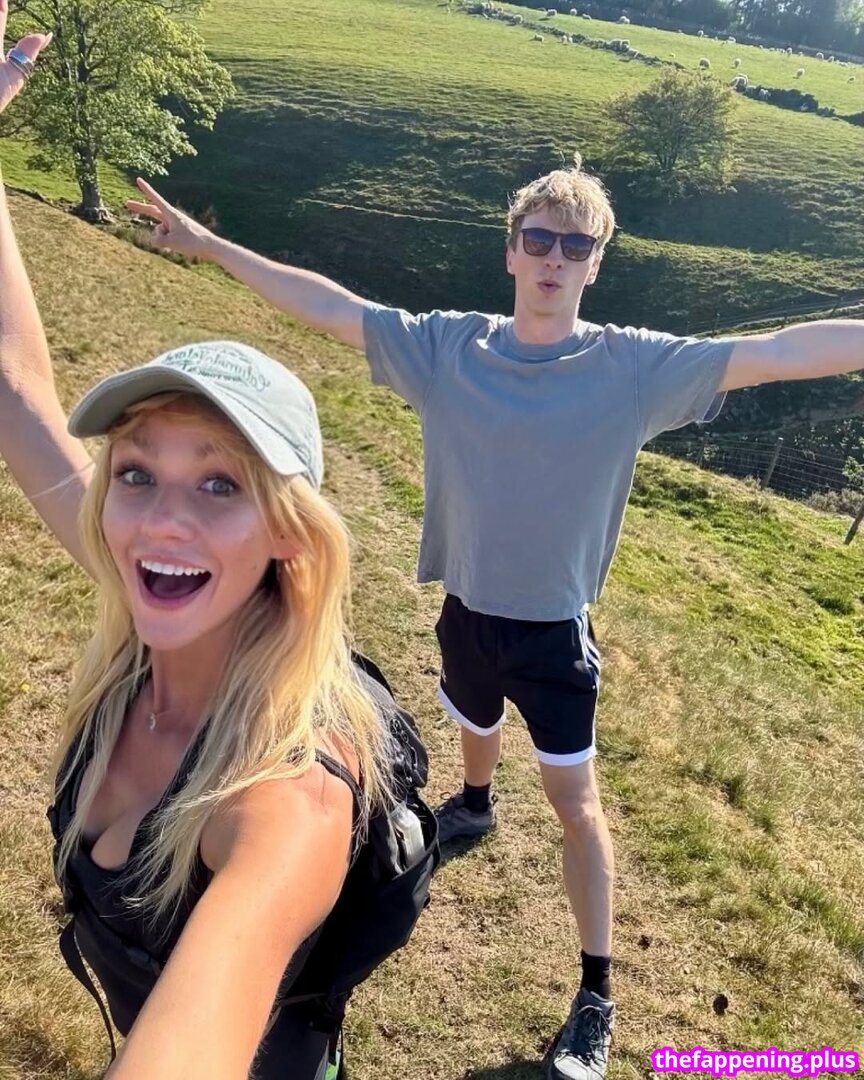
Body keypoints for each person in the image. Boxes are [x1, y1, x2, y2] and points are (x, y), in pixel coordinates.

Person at [127, 103, 864, 1080]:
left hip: (555, 634)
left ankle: (595, 993)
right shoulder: (448, 349)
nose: (555, 258)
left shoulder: (634, 368)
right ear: (512, 248)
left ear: (596, 262)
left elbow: (777, 352)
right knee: (470, 717)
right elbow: (333, 308)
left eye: (576, 245)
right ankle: (475, 800)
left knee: (576, 806)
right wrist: (209, 245)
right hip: (467, 610)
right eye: (540, 239)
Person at [0, 15, 417, 1080]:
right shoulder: (170, 588)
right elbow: (15, 384)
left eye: (221, 484)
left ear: (288, 532)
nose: (161, 520)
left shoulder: (288, 792)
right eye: (136, 471)